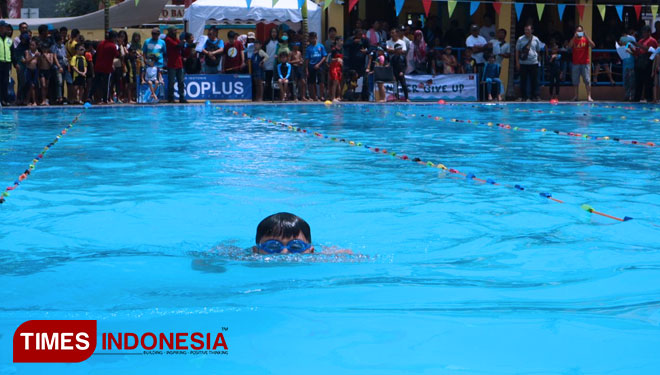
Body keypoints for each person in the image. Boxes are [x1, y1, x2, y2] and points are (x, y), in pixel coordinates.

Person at [567, 25, 595, 101]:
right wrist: (573, 37)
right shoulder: (574, 40)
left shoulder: (585, 39)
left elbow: (593, 45)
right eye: (577, 31)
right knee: (575, 80)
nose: (579, 32)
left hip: (585, 63)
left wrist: (586, 36)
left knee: (587, 80)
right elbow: (569, 46)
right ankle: (576, 96)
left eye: (580, 31)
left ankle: (589, 96)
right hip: (576, 63)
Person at [515, 25, 542, 101]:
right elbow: (517, 51)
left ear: (532, 31)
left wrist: (538, 61)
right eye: (525, 30)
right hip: (523, 63)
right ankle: (524, 96)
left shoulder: (536, 39)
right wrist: (517, 62)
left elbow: (538, 50)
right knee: (523, 80)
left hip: (534, 62)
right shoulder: (520, 39)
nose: (527, 31)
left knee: (535, 80)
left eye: (528, 30)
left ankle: (535, 96)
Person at [633, 25, 658, 102]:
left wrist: (639, 45)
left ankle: (649, 98)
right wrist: (631, 48)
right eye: (643, 32)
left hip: (648, 61)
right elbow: (637, 51)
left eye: (645, 32)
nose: (643, 34)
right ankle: (637, 98)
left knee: (648, 81)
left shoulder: (652, 40)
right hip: (640, 62)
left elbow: (652, 50)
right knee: (638, 81)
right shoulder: (641, 40)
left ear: (649, 32)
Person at [93, 30, 118, 104]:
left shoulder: (101, 44)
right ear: (113, 38)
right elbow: (116, 55)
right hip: (106, 68)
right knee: (106, 84)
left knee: (95, 83)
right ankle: (105, 99)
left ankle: (89, 96)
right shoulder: (112, 46)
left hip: (98, 66)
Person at [165, 27, 186, 103]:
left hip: (179, 63)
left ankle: (182, 97)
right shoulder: (168, 39)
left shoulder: (175, 39)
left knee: (181, 81)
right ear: (170, 31)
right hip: (172, 64)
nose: (176, 32)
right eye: (174, 31)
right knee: (171, 82)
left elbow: (181, 45)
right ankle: (170, 98)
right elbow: (178, 46)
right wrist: (183, 41)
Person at [305, 31, 327, 101]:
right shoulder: (308, 48)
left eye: (314, 38)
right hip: (311, 66)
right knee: (312, 82)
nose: (313, 40)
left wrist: (318, 64)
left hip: (320, 66)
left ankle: (322, 95)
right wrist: (307, 69)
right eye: (311, 38)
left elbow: (324, 56)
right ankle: (314, 96)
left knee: (321, 82)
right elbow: (307, 59)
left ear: (316, 38)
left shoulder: (321, 46)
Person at [620, 29, 636, 101]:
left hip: (631, 65)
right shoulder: (623, 45)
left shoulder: (631, 41)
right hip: (625, 65)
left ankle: (632, 96)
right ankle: (626, 96)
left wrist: (630, 49)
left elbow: (635, 52)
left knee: (632, 82)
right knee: (626, 81)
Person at [50, 33, 67, 105]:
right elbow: (55, 57)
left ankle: (62, 96)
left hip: (64, 65)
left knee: (62, 82)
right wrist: (59, 66)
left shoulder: (63, 46)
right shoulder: (54, 47)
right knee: (59, 82)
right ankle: (59, 97)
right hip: (58, 66)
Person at [23, 40, 40, 106]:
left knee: (34, 86)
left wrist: (39, 57)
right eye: (30, 45)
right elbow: (27, 61)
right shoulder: (27, 52)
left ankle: (29, 100)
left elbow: (39, 63)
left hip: (35, 70)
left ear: (36, 46)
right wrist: (34, 57)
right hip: (29, 70)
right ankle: (32, 101)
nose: (31, 46)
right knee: (31, 86)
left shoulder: (37, 52)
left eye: (33, 45)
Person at [264, 27, 279, 100]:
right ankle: (268, 96)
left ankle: (276, 95)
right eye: (272, 32)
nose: (274, 34)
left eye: (275, 32)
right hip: (268, 64)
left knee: (276, 81)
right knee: (268, 81)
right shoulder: (267, 42)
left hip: (276, 64)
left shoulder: (279, 42)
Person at [0, 21, 13, 106]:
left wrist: (14, 63)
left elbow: (12, 52)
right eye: (4, 27)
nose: (5, 28)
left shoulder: (9, 40)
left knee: (5, 82)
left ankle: (4, 100)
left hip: (7, 63)